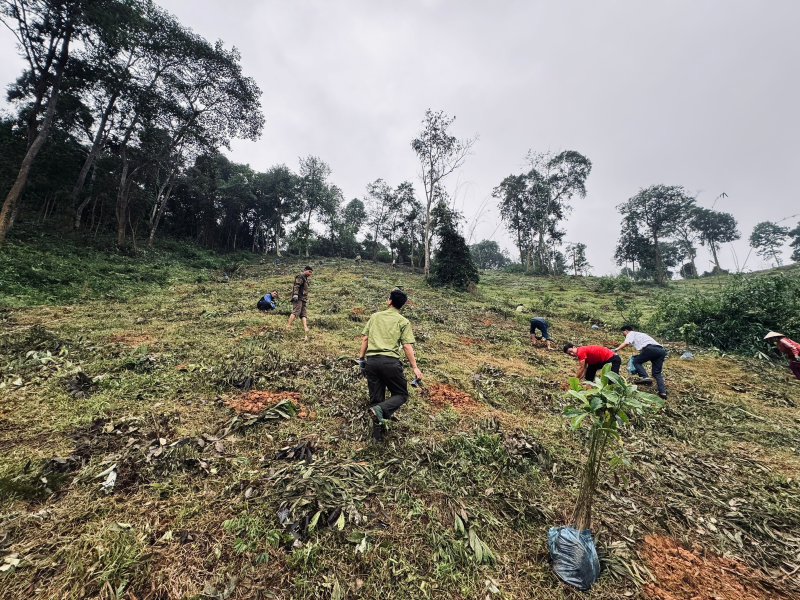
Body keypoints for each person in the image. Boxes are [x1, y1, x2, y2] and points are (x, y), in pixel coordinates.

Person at [358, 288, 423, 441]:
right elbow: (407, 346)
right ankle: (380, 412)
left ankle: (377, 437)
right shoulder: (403, 321)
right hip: (390, 362)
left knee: (376, 398)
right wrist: (414, 367)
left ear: (389, 301)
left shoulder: (375, 317)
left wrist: (361, 359)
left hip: (372, 362)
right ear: (402, 305)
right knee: (401, 393)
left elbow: (365, 339)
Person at [614, 325, 667, 399]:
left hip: (650, 349)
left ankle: (646, 377)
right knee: (657, 373)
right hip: (661, 351)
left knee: (636, 362)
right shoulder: (640, 335)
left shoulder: (631, 333)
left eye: (623, 333)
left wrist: (616, 349)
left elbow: (626, 343)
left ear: (626, 330)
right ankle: (662, 392)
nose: (624, 335)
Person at [286, 266, 313, 337]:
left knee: (303, 313)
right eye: (309, 271)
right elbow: (296, 286)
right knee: (296, 311)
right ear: (305, 270)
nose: (310, 273)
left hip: (303, 298)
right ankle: (288, 326)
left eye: (311, 272)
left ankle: (305, 327)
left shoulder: (305, 278)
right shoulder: (300, 277)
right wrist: (295, 294)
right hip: (298, 297)